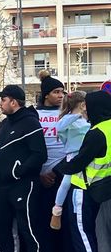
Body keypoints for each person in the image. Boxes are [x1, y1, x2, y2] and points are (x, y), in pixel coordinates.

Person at [0, 85, 48, 252]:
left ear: (14, 101)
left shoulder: (30, 122)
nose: (0, 103)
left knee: (28, 228)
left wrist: (18, 171)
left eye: (3, 99)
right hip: (3, 185)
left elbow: (40, 155)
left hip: (24, 184)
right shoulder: (5, 124)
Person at [53, 90, 111, 252]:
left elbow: (79, 161)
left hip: (84, 187)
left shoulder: (96, 132)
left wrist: (58, 170)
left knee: (83, 234)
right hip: (103, 188)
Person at [34, 70, 70, 252]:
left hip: (63, 175)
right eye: (56, 91)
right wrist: (39, 174)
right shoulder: (34, 115)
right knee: (42, 221)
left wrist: (56, 172)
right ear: (46, 94)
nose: (60, 95)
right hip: (39, 176)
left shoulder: (67, 115)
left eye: (62, 92)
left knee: (64, 221)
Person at [50, 91, 89, 232]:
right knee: (66, 182)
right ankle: (57, 210)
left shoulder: (87, 119)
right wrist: (77, 115)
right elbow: (59, 127)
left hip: (87, 155)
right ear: (82, 104)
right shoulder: (68, 119)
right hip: (73, 155)